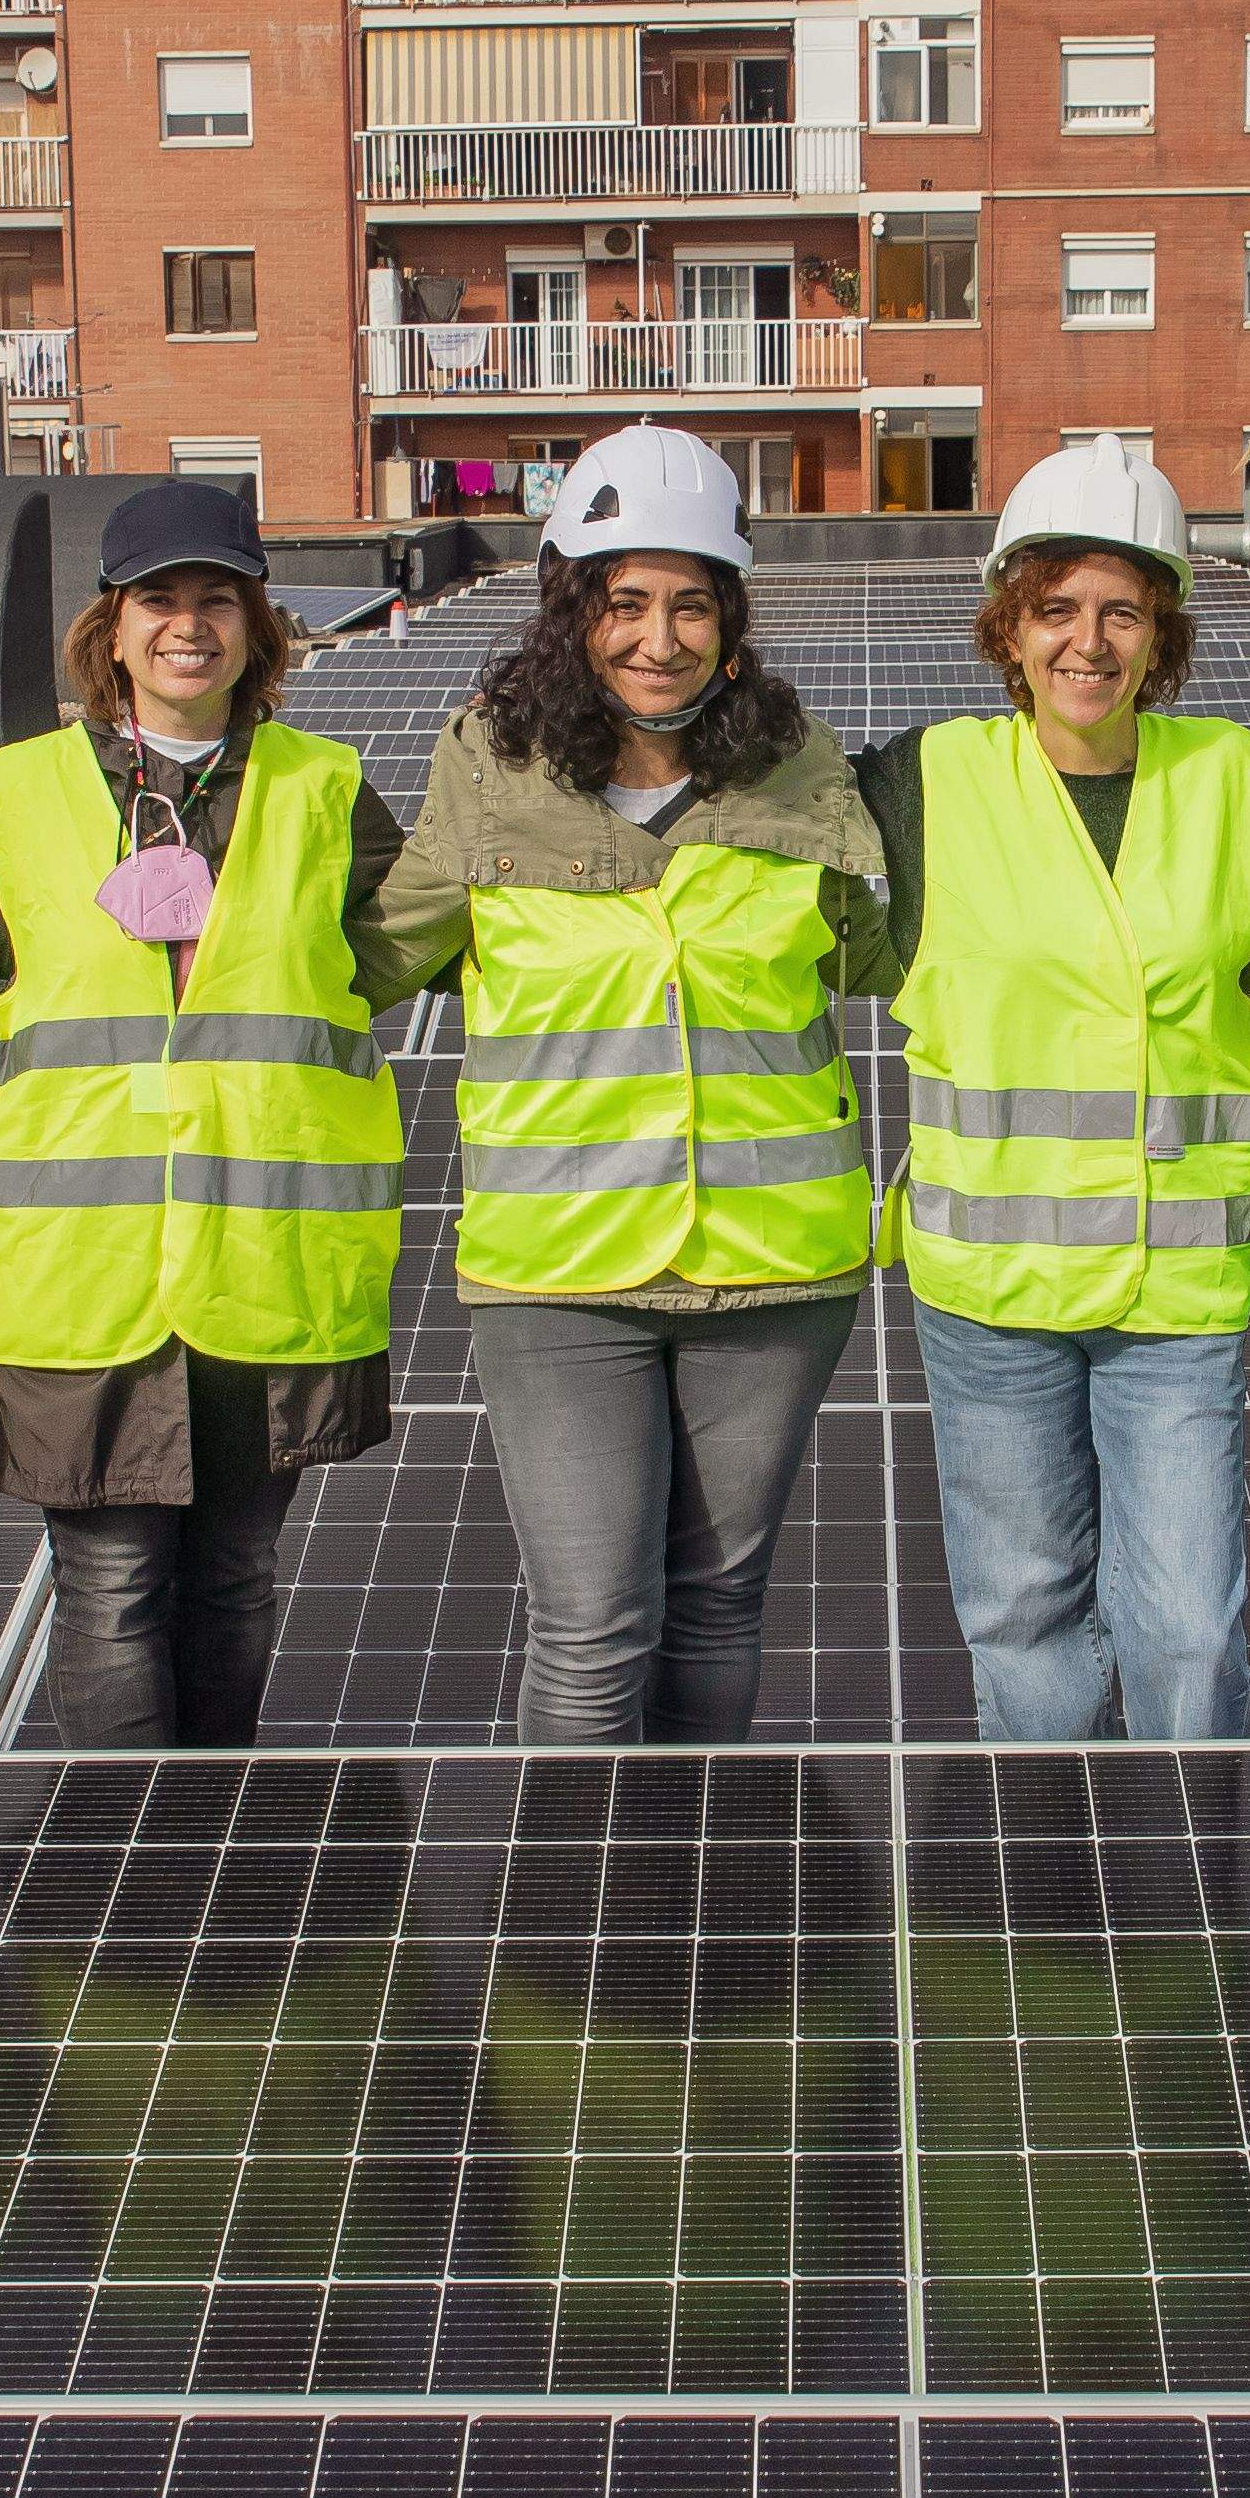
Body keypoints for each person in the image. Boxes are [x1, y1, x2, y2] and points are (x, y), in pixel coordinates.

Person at [374, 423, 890, 1742]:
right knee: (595, 1630)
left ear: (731, 615)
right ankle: (585, 1930)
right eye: (623, 603)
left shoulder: (801, 763)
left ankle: (699, 1915)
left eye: (691, 604)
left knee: (720, 1606)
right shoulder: (487, 765)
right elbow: (384, 950)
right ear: (569, 608)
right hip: (559, 1278)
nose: (658, 639)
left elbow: (893, 951)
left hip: (777, 1271)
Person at [864, 445, 1250, 1743]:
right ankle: (1056, 1899)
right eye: (1057, 609)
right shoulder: (926, 784)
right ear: (1009, 629)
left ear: (1162, 633)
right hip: (990, 1298)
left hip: (1174, 1294)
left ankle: (1181, 1884)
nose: (1089, 641)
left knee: (1187, 1629)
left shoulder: (1243, 783)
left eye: (1122, 611)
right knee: (1025, 1617)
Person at [0, 477, 407, 1747]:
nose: (186, 624)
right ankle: (127, 1872)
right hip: (83, 1276)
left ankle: (211, 1841)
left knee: (238, 1581)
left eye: (218, 597)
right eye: (158, 598)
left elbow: (392, 963)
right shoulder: (22, 794)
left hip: (264, 1267)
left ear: (257, 624)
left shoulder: (327, 790)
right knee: (109, 1587)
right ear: (112, 624)